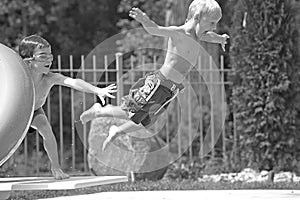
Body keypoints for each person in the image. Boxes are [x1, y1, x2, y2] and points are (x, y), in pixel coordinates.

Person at [80, 0, 229, 151]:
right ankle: (99, 110)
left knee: (145, 119)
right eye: (211, 23)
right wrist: (145, 20)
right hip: (159, 83)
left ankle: (117, 130)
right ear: (197, 17)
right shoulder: (178, 33)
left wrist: (221, 38)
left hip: (171, 89)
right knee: (132, 110)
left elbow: (210, 36)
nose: (214, 27)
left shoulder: (199, 36)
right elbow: (155, 30)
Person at [19, 35, 117, 179]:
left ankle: (56, 168)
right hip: (15, 112)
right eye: (42, 56)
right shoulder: (20, 75)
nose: (48, 60)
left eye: (50, 56)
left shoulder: (50, 78)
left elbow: (73, 82)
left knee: (46, 129)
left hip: (34, 112)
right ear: (28, 59)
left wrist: (97, 90)